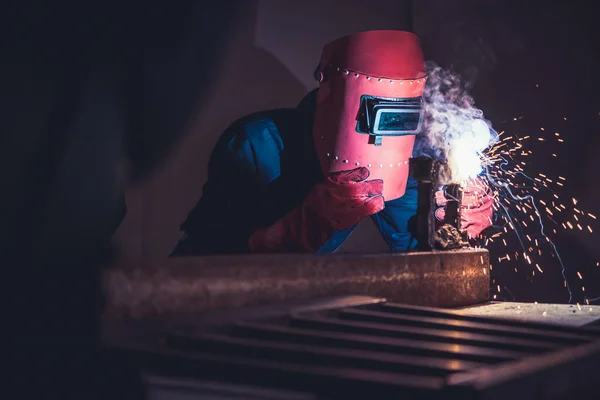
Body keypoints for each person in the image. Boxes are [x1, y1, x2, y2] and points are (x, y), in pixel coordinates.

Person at [171, 30, 494, 256]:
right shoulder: (257, 142)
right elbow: (197, 258)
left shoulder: (406, 157)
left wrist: (451, 231)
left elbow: (417, 253)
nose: (386, 133)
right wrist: (279, 237)